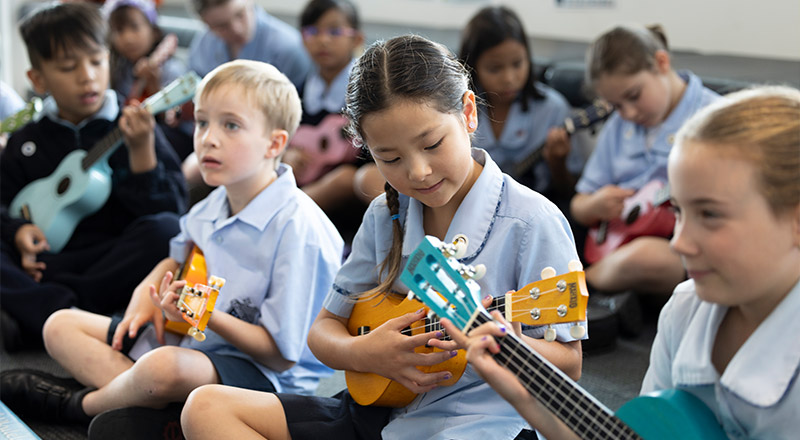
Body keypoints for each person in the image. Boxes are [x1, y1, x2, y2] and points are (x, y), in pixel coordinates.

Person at [180, 34, 585, 440]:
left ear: (468, 113)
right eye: (390, 158)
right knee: (205, 408)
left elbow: (570, 362)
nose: (418, 171)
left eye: (432, 144)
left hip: (478, 422)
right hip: (380, 410)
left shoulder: (531, 222)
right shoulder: (385, 212)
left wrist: (510, 348)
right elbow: (323, 331)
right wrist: (366, 353)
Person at [0, 59, 344, 438]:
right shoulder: (214, 202)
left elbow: (280, 356)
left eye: (230, 125)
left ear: (275, 143)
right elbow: (176, 255)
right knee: (59, 325)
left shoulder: (299, 229)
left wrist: (204, 314)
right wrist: (144, 293)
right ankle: (152, 407)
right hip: (192, 343)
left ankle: (79, 405)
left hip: (261, 376)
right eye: (202, 122)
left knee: (163, 369)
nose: (208, 138)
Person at [443, 85, 800, 439]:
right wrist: (525, 398)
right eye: (679, 211)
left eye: (709, 214)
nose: (679, 241)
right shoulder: (684, 311)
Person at [0, 1, 187, 352]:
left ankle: (48, 316)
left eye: (97, 62)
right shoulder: (27, 139)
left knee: (166, 231)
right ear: (38, 79)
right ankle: (84, 318)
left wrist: (142, 154)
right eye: (68, 67)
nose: (87, 76)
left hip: (113, 259)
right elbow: (3, 202)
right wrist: (18, 230)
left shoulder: (133, 124)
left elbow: (174, 211)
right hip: (48, 263)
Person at [569, 25, 719, 333]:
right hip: (613, 243)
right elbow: (578, 205)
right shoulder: (618, 126)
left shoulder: (714, 117)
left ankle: (576, 289)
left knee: (648, 258)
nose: (628, 113)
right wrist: (595, 205)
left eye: (634, 96)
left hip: (682, 250)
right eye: (616, 105)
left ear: (661, 63)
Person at [459, 6, 590, 209]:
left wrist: (558, 163)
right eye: (495, 69)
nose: (509, 78)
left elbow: (569, 193)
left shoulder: (553, 109)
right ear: (472, 67)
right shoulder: (458, 107)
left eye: (517, 64)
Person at [283, 0, 370, 222]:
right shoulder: (294, 92)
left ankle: (285, 212)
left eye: (334, 31)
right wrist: (286, 155)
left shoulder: (371, 91)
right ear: (302, 38)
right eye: (313, 32)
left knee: (345, 178)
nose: (323, 40)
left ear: (357, 39)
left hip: (349, 203)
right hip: (301, 183)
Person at [103, 0, 194, 160]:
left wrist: (154, 88)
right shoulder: (118, 70)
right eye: (119, 30)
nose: (128, 38)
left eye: (134, 27)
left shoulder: (171, 69)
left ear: (154, 32)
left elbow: (176, 120)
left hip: (172, 141)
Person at [187, 0, 311, 89]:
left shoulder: (290, 49)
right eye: (222, 26)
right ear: (206, 24)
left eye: (240, 14)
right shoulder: (203, 45)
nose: (237, 29)